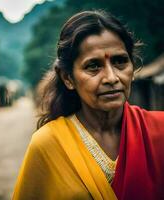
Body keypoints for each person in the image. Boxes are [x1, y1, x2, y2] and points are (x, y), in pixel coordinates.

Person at [12, 10, 164, 200]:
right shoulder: (48, 144)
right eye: (93, 66)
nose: (111, 77)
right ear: (68, 78)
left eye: (120, 61)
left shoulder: (159, 132)